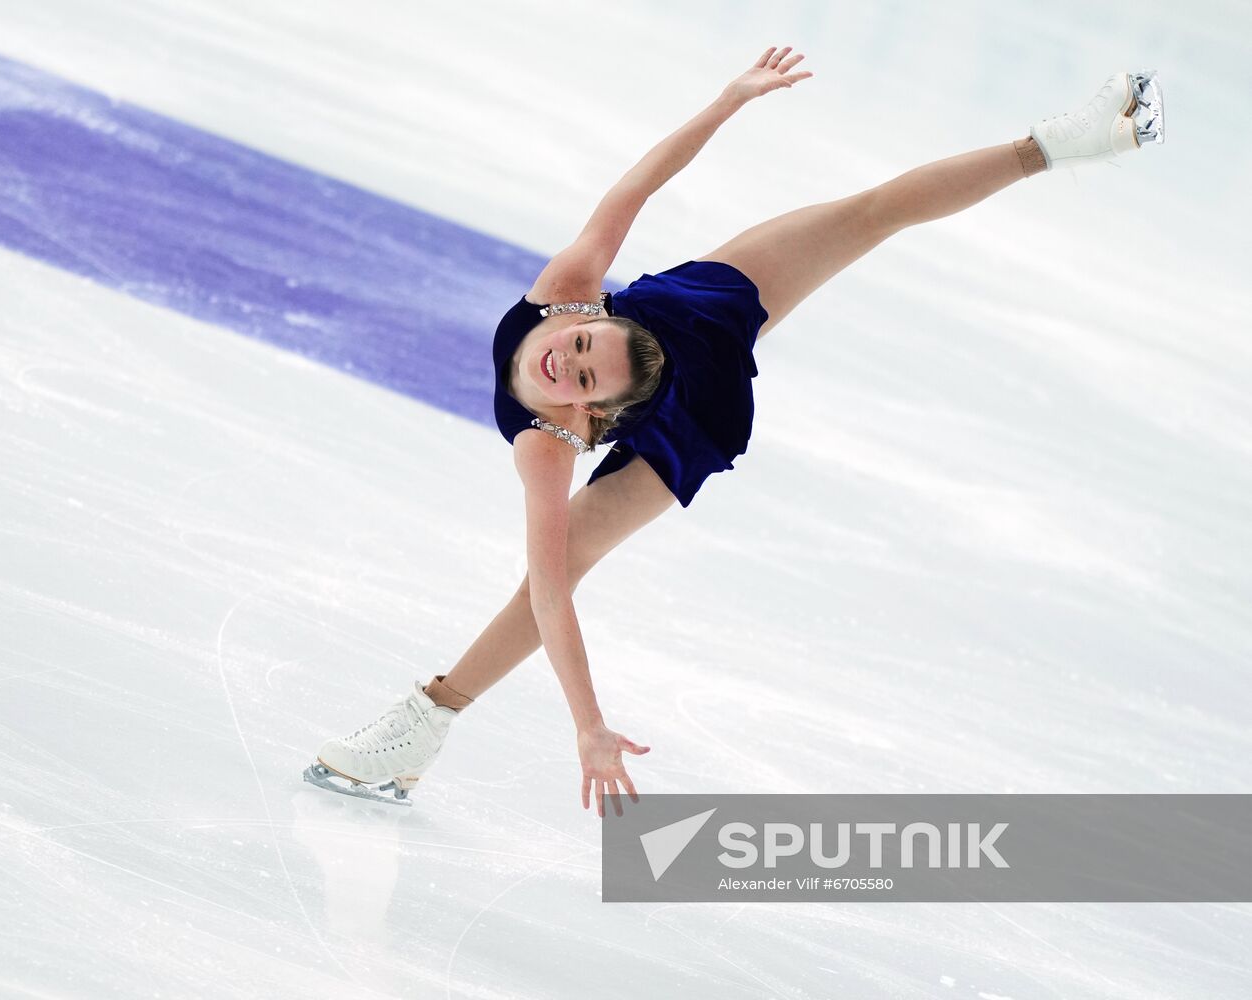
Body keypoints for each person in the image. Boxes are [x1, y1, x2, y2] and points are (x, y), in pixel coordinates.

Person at [306, 48, 1164, 812]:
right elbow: (638, 185)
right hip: (672, 366)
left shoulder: (561, 398)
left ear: (590, 399)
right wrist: (728, 100)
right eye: (577, 353)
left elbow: (548, 590)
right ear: (587, 322)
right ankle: (426, 721)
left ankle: (1063, 143)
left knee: (867, 213)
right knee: (562, 562)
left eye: (583, 366)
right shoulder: (559, 346)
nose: (563, 361)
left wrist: (588, 726)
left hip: (690, 329)